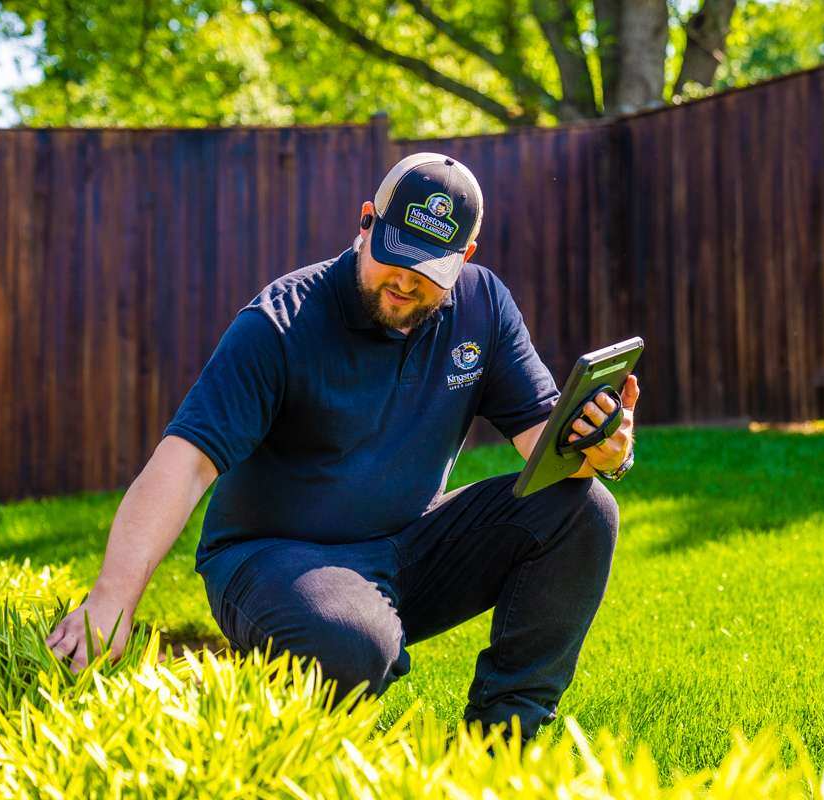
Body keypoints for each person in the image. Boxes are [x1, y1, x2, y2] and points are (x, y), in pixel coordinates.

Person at [44, 152, 640, 741]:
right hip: (273, 559)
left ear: (466, 258)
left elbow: (544, 438)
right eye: (395, 255)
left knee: (582, 508)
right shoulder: (281, 322)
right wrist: (112, 602)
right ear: (365, 224)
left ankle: (505, 745)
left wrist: (605, 449)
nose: (406, 281)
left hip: (408, 545)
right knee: (352, 645)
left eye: (431, 267)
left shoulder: (483, 306)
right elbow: (185, 465)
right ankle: (287, 671)